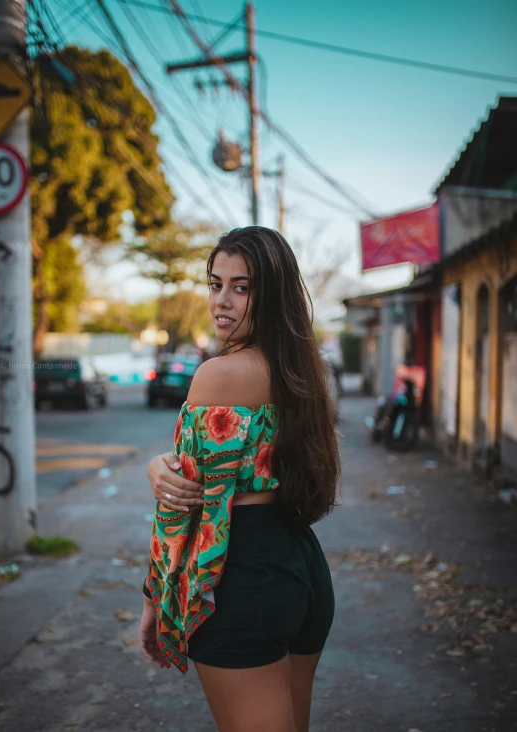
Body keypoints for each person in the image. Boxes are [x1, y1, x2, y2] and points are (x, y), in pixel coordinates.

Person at [140, 226, 340, 732]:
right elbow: (243, 464)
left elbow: (182, 502)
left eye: (242, 287)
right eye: (215, 283)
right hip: (301, 566)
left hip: (241, 578)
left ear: (271, 295)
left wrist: (155, 599)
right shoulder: (305, 371)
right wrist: (159, 464)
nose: (221, 302)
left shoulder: (218, 375)